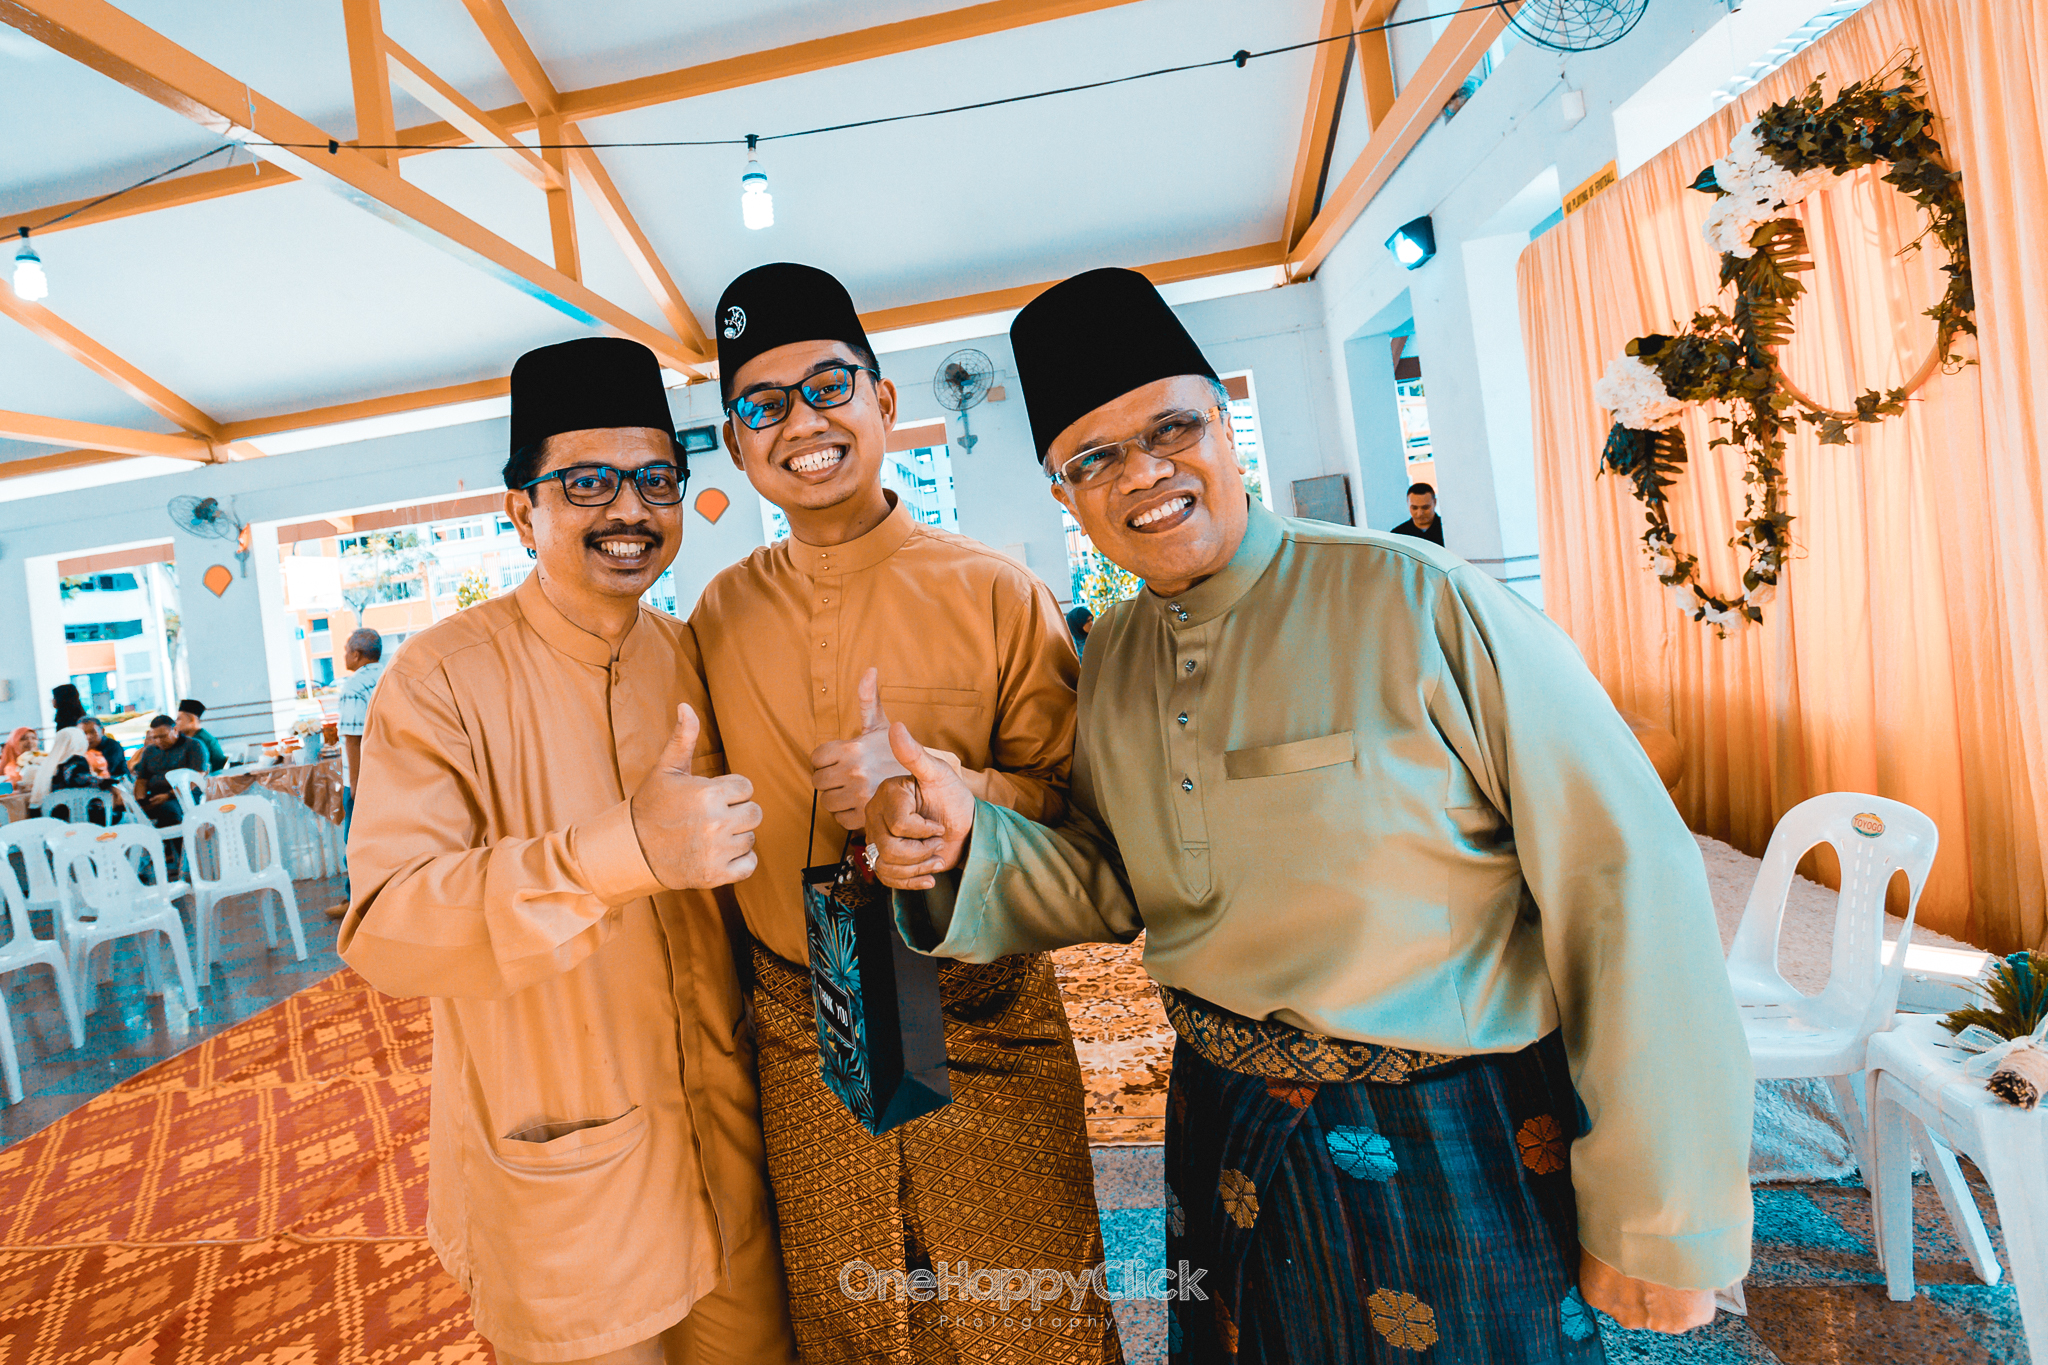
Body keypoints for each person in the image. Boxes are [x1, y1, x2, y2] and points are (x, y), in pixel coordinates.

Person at [868, 268, 1754, 1360]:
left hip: (1441, 1133)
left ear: (1223, 424)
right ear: (1066, 497)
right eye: (1092, 459)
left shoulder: (1419, 599)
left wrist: (1662, 1213)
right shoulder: (1120, 654)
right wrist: (967, 842)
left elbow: (1624, 882)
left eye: (1171, 428)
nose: (1142, 473)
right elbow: (1116, 877)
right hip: (1222, 1125)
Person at [688, 262, 1117, 1363]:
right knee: (855, 1324)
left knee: (1030, 1321)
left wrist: (958, 794)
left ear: (882, 401)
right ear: (736, 444)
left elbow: (1081, 814)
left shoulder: (993, 591)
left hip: (980, 1013)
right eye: (762, 405)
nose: (802, 423)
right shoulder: (719, 615)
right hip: (806, 1025)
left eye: (829, 386)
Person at [339, 336, 796, 1365]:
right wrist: (616, 853)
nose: (629, 510)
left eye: (655, 480)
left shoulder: (690, 656)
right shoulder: (440, 679)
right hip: (568, 1175)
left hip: (729, 1149)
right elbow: (388, 927)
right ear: (522, 510)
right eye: (587, 482)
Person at [331, 628, 386, 919]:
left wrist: (355, 784)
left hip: (365, 777)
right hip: (395, 772)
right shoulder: (393, 674)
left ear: (356, 654)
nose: (344, 656)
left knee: (356, 842)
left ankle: (356, 903)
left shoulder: (354, 687)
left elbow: (353, 738)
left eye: (345, 651)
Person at [131, 714, 208, 830]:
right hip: (156, 796)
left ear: (175, 730)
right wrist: (140, 800)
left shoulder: (193, 746)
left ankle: (172, 840)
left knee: (168, 809)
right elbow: (142, 780)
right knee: (130, 811)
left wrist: (168, 795)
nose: (158, 741)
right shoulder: (149, 751)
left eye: (163, 736)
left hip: (186, 795)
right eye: (154, 737)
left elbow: (196, 778)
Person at [29, 727, 117, 819]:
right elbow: (78, 778)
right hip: (81, 815)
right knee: (123, 815)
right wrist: (105, 782)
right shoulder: (76, 760)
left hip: (55, 816)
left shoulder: (50, 765)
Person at [175, 700, 230, 773]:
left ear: (192, 720)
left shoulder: (200, 740)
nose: (176, 722)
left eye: (179, 719)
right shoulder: (194, 736)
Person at [1389, 480, 1445, 545]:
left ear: (1435, 502)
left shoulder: (1447, 531)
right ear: (1407, 503)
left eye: (1425, 507)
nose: (1420, 513)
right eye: (1414, 508)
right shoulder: (1398, 535)